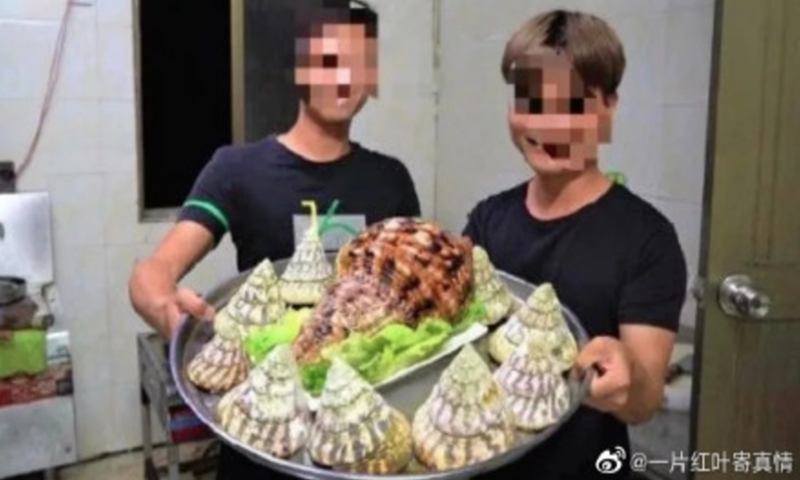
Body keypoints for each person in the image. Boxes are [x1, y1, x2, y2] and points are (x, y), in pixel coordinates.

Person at [128, 1, 420, 479]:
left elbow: (407, 295)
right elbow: (152, 272)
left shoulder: (391, 180)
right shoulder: (236, 170)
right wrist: (165, 310)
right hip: (262, 432)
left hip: (361, 435)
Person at [463, 10, 687, 479]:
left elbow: (644, 401)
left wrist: (627, 377)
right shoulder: (487, 221)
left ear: (609, 106)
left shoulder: (648, 239)